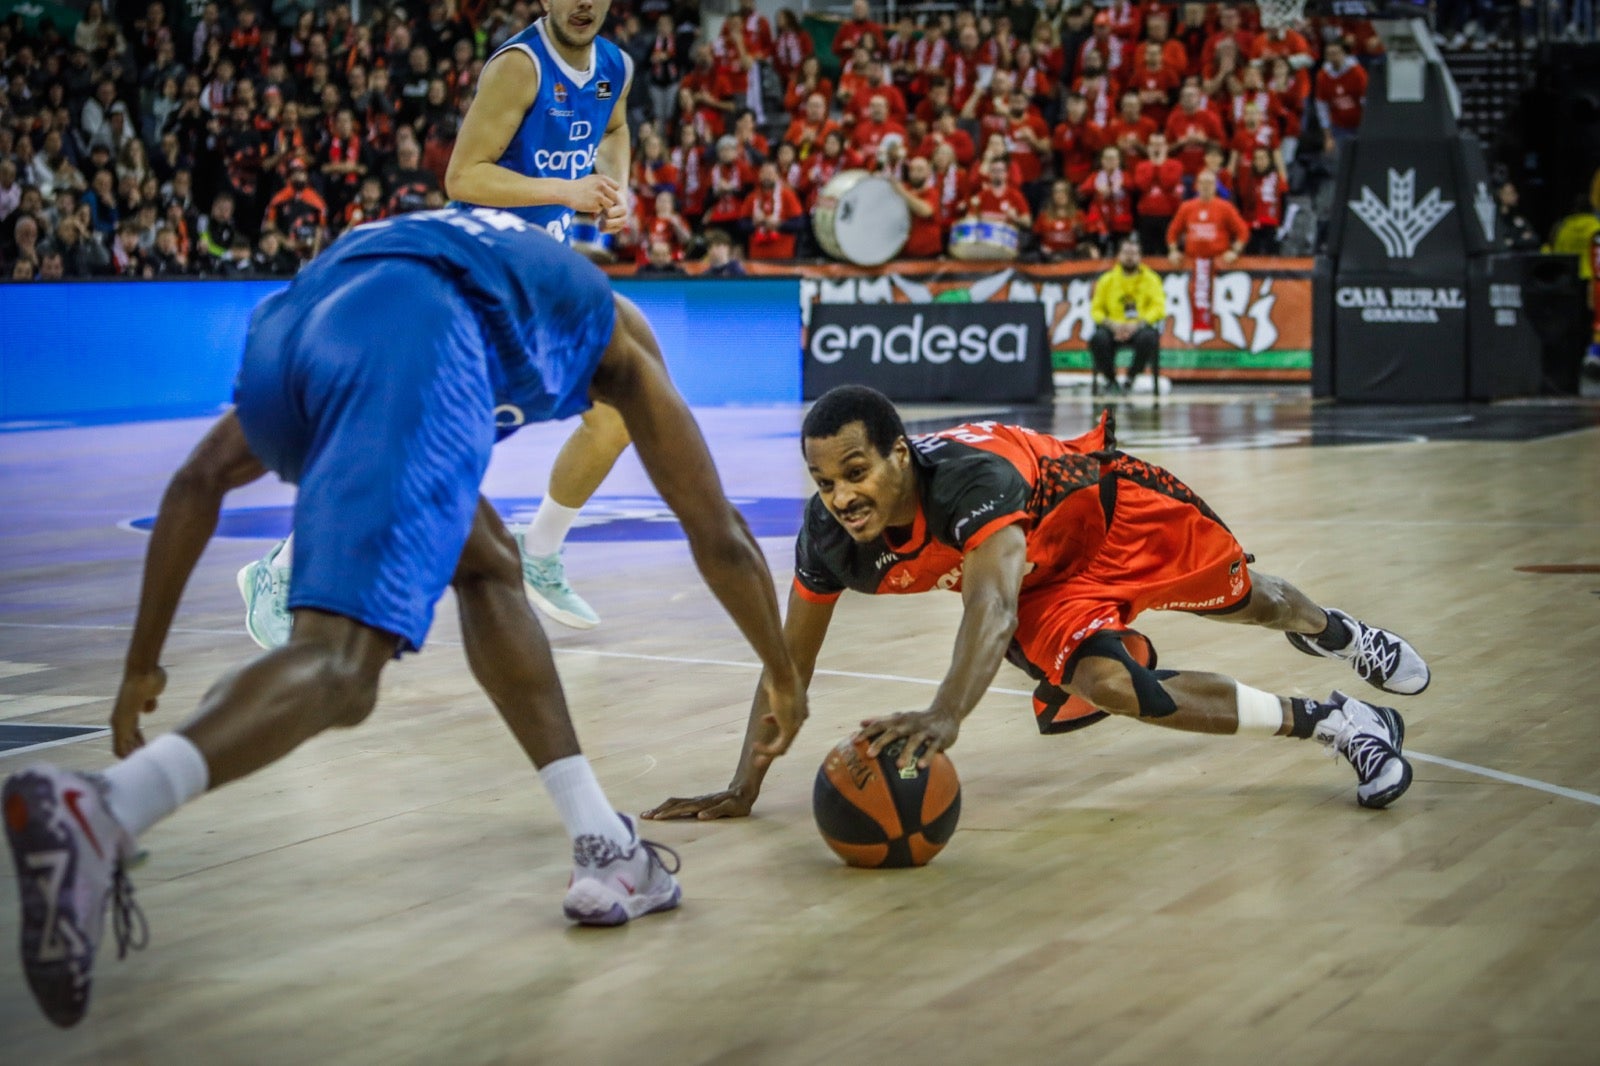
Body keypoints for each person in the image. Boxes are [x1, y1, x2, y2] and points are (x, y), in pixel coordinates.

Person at [3, 207, 807, 1030]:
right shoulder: (618, 339)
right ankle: (106, 810)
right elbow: (720, 535)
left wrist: (140, 664)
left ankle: (604, 840)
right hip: (419, 334)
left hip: (302, 319)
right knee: (345, 669)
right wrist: (782, 675)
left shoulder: (495, 263)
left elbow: (197, 481)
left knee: (489, 561)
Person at [643, 384, 1428, 826]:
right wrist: (743, 784)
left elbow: (989, 609)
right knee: (1118, 689)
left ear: (899, 454)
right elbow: (788, 665)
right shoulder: (830, 539)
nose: (843, 496)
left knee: (1256, 602)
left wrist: (947, 714)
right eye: (825, 482)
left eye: (857, 471)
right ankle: (1337, 720)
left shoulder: (969, 481)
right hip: (1049, 586)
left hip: (1111, 518)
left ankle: (1334, 631)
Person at [238, 0, 637, 652]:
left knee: (615, 412)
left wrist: (614, 183)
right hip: (476, 271)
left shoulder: (613, 66)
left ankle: (539, 552)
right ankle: (280, 570)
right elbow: (463, 175)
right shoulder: (518, 67)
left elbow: (615, 127)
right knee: (417, 446)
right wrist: (566, 192)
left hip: (544, 279)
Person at [1089, 235, 1166, 393]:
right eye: (1126, 253)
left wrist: (1138, 324)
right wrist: (1112, 324)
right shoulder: (1106, 280)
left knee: (1149, 338)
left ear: (1140, 256)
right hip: (1113, 326)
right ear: (1118, 256)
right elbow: (1095, 309)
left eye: (1134, 253)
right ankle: (1111, 380)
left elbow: (1159, 308)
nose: (1130, 257)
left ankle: (1131, 378)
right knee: (1098, 339)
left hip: (1139, 326)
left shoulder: (1152, 279)